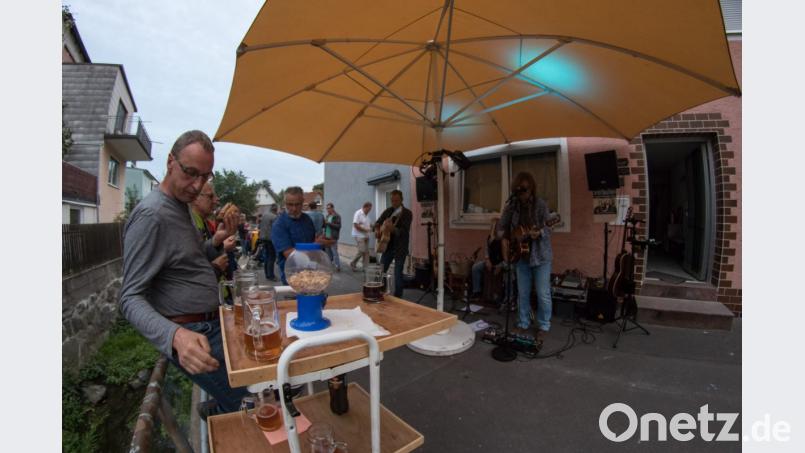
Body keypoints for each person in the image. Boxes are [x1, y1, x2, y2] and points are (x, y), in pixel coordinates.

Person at [120, 130, 248, 418]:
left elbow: (186, 259)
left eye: (205, 176)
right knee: (252, 401)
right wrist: (175, 337)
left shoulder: (181, 207)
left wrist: (217, 240)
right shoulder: (151, 216)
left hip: (211, 323)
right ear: (170, 161)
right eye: (191, 173)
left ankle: (216, 409)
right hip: (194, 333)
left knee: (258, 385)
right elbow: (129, 297)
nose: (197, 185)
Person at [498, 171, 554, 346]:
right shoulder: (512, 206)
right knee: (522, 293)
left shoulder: (540, 205)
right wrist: (509, 240)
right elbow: (501, 228)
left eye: (525, 190)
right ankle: (523, 323)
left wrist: (541, 232)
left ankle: (544, 325)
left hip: (541, 257)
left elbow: (550, 226)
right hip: (520, 256)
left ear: (531, 189)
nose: (522, 194)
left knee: (543, 293)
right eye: (519, 190)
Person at [271, 187, 331, 284]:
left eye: (297, 204)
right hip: (293, 279)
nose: (294, 209)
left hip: (312, 273)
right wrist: (315, 245)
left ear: (303, 202)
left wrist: (322, 241)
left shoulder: (307, 219)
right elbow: (291, 255)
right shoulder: (279, 224)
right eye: (290, 204)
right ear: (284, 203)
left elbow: (313, 240)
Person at [189, 182, 234, 278]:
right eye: (210, 196)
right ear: (195, 198)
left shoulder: (203, 221)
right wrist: (215, 268)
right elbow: (189, 270)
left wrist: (217, 241)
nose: (216, 200)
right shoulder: (186, 225)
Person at [374, 190, 412, 298]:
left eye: (396, 201)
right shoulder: (388, 211)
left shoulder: (407, 213)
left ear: (401, 200)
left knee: (398, 274)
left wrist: (393, 229)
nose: (394, 203)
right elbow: (378, 222)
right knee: (381, 270)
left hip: (401, 247)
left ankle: (398, 298)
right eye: (392, 201)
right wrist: (377, 230)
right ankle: (381, 293)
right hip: (388, 246)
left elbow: (404, 231)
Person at [470, 217, 506, 303]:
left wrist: (501, 265)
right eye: (493, 226)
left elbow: (507, 256)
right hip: (491, 261)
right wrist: (487, 260)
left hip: (503, 263)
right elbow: (487, 249)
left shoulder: (505, 238)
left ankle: (507, 298)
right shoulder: (490, 237)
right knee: (476, 267)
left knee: (510, 273)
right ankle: (477, 292)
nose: (494, 228)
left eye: (496, 226)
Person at [349, 202, 373, 272]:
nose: (369, 211)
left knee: (366, 252)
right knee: (362, 250)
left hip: (366, 236)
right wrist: (365, 229)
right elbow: (355, 225)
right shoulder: (358, 213)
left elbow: (370, 225)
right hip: (359, 235)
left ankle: (365, 268)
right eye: (369, 209)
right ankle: (353, 263)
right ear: (365, 207)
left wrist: (374, 226)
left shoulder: (367, 216)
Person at [258, 205, 278, 280]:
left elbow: (260, 226)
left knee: (267, 256)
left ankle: (267, 274)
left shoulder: (264, 215)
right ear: (276, 210)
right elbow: (276, 229)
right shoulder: (274, 217)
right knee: (271, 257)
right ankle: (271, 275)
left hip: (263, 238)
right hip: (270, 239)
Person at [323, 202, 342, 271]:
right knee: (328, 252)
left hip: (333, 237)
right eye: (327, 208)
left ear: (332, 208)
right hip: (326, 236)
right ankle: (329, 265)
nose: (328, 210)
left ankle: (337, 266)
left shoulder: (337, 216)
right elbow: (326, 226)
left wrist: (329, 223)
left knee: (334, 252)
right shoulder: (327, 216)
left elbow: (338, 226)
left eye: (329, 208)